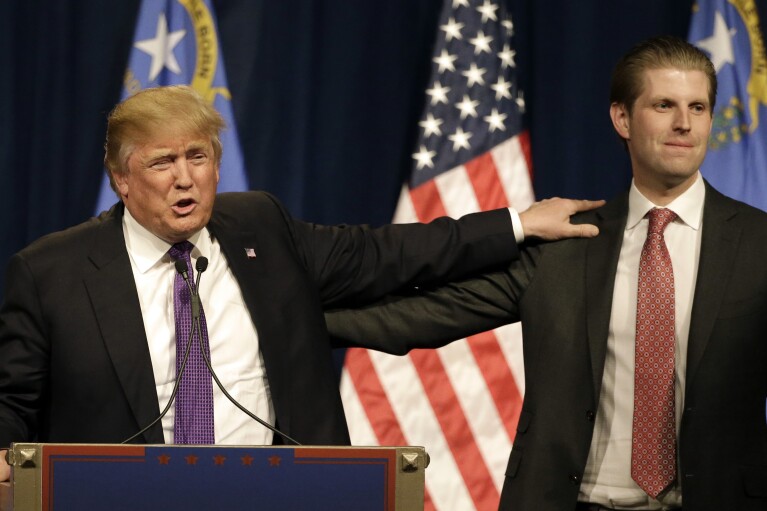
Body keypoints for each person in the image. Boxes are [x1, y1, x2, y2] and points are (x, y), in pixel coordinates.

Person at [0, 85, 603, 482]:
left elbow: (386, 254)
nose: (185, 179)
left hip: (278, 490)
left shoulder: (258, 224)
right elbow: (12, 401)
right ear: (120, 179)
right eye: (162, 163)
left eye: (198, 156)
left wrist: (518, 223)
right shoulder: (52, 272)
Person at [325, 35, 767, 510]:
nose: (684, 124)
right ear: (622, 118)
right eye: (664, 105)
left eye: (697, 107)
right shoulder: (567, 242)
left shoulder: (757, 242)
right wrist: (274, 320)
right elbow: (421, 315)